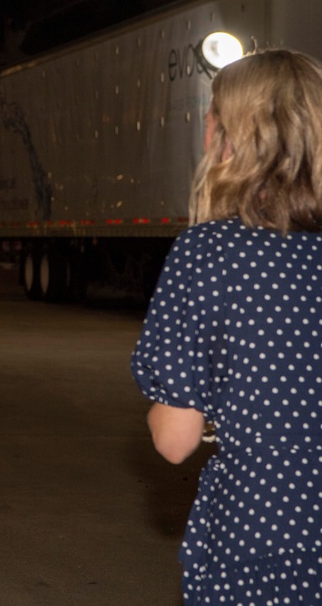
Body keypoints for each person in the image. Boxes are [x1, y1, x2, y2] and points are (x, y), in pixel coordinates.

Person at [130, 49, 322, 605]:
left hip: (262, 538)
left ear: (231, 135)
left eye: (212, 114)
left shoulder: (210, 254)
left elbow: (174, 439)